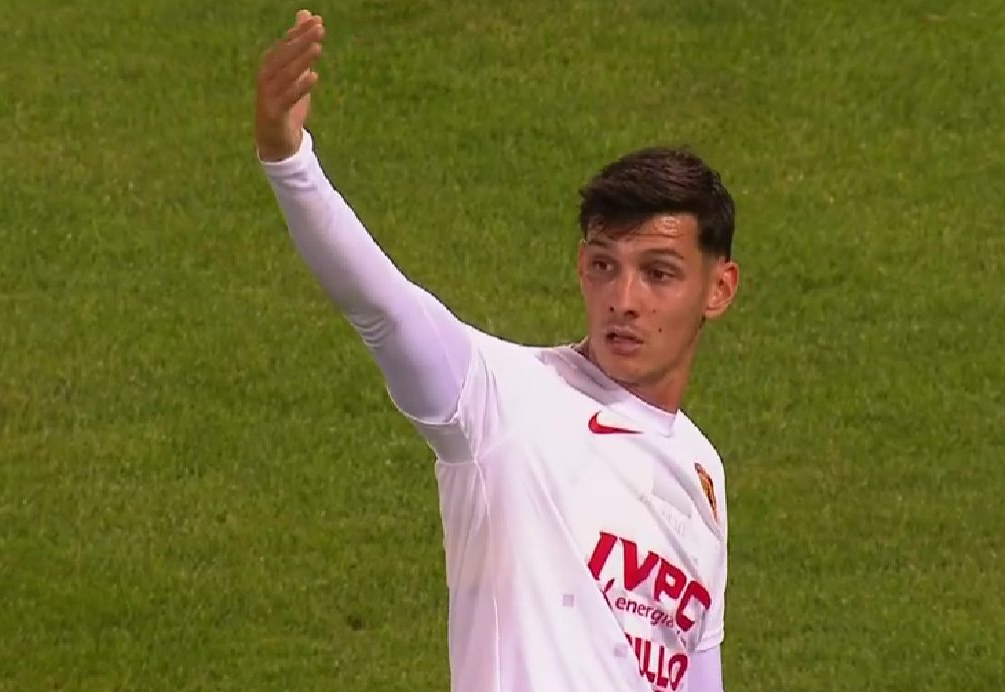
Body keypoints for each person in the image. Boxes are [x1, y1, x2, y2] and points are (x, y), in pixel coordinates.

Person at [255, 10, 739, 692]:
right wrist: (289, 162)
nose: (623, 299)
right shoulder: (501, 400)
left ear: (718, 289)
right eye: (604, 266)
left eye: (658, 273)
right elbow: (382, 307)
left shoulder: (700, 469)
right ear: (581, 268)